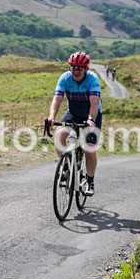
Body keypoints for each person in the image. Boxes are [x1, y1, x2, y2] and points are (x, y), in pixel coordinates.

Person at [46, 51, 102, 196]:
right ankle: (65, 168)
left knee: (89, 149)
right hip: (74, 112)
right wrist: (52, 117)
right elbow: (57, 99)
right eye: (73, 67)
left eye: (79, 68)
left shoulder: (92, 79)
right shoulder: (65, 78)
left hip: (91, 113)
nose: (76, 71)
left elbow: (94, 103)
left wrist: (91, 119)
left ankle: (90, 180)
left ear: (86, 69)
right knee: (59, 135)